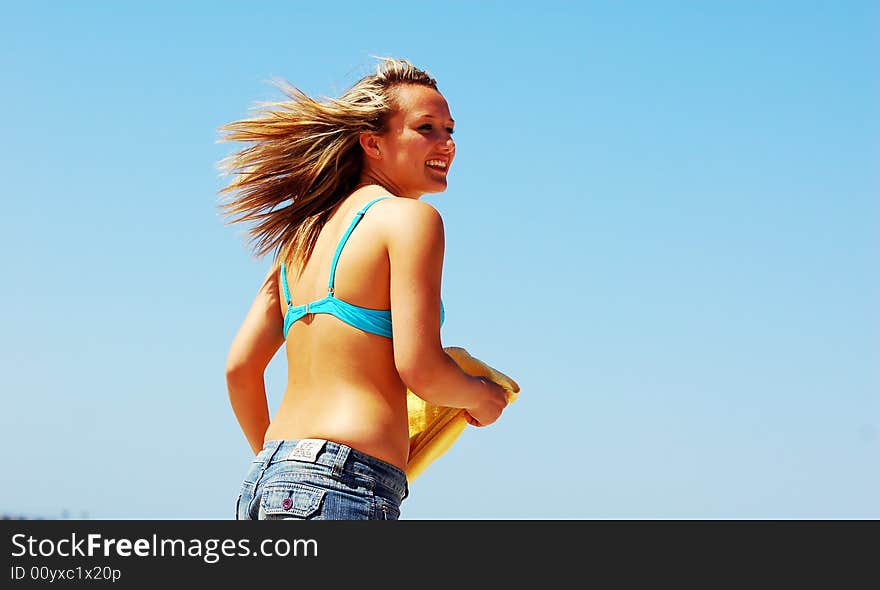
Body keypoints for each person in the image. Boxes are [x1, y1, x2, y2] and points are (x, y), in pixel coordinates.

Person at [216, 57, 510, 520]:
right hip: (345, 484)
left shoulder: (301, 238)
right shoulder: (411, 220)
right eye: (426, 128)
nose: (446, 143)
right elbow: (420, 369)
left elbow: (240, 369)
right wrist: (482, 397)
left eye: (450, 130)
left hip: (267, 481)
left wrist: (287, 466)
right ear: (372, 142)